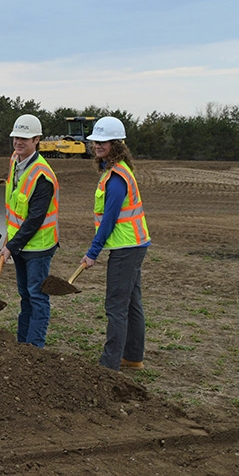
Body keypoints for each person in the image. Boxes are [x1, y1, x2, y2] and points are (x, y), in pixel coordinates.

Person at [80, 116, 151, 371]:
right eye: (96, 142)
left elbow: (109, 220)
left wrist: (92, 252)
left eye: (103, 142)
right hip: (132, 244)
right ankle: (133, 357)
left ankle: (109, 365)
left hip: (126, 248)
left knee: (115, 306)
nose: (97, 146)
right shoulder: (114, 170)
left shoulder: (118, 177)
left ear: (116, 144)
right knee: (131, 302)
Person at [0, 114, 59, 347]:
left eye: (24, 138)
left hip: (38, 247)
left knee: (37, 297)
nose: (18, 142)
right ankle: (22, 345)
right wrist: (10, 238)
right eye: (16, 138)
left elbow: (35, 219)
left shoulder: (42, 176)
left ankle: (35, 349)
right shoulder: (16, 160)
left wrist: (11, 247)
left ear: (37, 140)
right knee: (25, 296)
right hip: (20, 243)